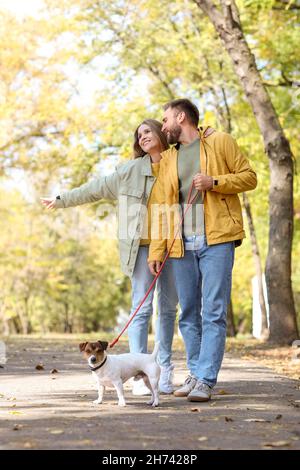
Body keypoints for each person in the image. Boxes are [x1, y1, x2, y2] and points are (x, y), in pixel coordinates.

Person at [41, 119, 178, 395]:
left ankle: (162, 370)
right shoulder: (127, 171)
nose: (143, 137)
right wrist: (61, 199)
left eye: (148, 131)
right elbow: (94, 189)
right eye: (138, 135)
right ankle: (139, 375)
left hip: (173, 245)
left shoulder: (179, 162)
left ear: (162, 132)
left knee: (168, 310)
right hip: (140, 247)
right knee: (141, 309)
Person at [148, 99, 257, 402]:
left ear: (180, 117)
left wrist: (215, 182)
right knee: (189, 313)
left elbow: (250, 177)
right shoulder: (169, 159)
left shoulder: (220, 141)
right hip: (181, 243)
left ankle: (206, 379)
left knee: (214, 311)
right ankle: (195, 373)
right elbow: (161, 207)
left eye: (165, 118)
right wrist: (157, 250)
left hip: (218, 239)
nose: (162, 124)